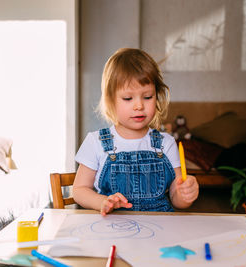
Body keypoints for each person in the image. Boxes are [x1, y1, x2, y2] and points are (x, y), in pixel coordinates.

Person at [73, 48, 199, 215]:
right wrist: (101, 201)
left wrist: (186, 194)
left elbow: (177, 198)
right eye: (128, 98)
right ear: (110, 101)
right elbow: (79, 190)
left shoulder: (166, 143)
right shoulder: (96, 142)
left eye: (147, 97)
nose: (139, 106)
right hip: (113, 230)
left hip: (160, 230)